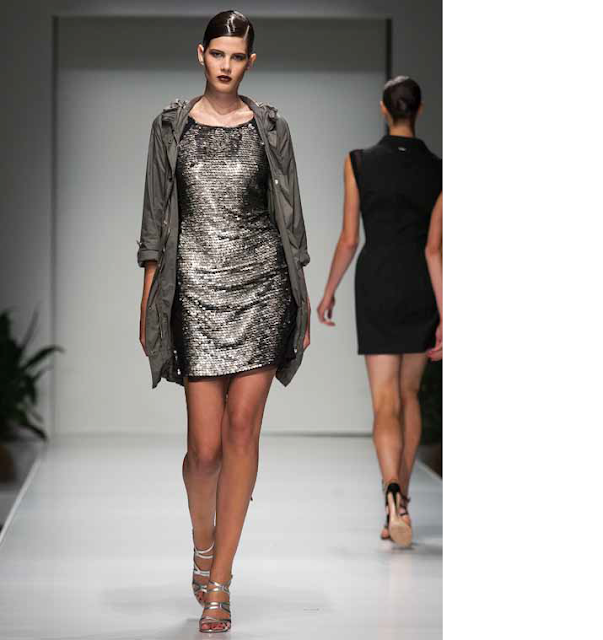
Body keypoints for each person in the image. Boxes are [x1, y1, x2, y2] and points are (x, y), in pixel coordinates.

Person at [136, 10, 311, 633]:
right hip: (193, 294)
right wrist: (149, 300)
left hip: (264, 290)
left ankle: (221, 583)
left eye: (237, 57)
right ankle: (202, 543)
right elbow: (156, 217)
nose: (227, 65)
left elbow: (290, 218)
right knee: (203, 451)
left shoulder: (272, 128)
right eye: (218, 54)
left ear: (250, 62)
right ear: (201, 54)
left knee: (242, 434)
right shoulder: (170, 126)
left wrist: (300, 298)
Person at [317, 76, 442, 547]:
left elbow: (350, 238)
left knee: (384, 400)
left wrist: (329, 291)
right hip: (421, 284)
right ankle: (403, 502)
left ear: (383, 109)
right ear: (419, 109)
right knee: (409, 397)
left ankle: (390, 490)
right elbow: (438, 246)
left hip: (376, 283)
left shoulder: (358, 162)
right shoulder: (441, 170)